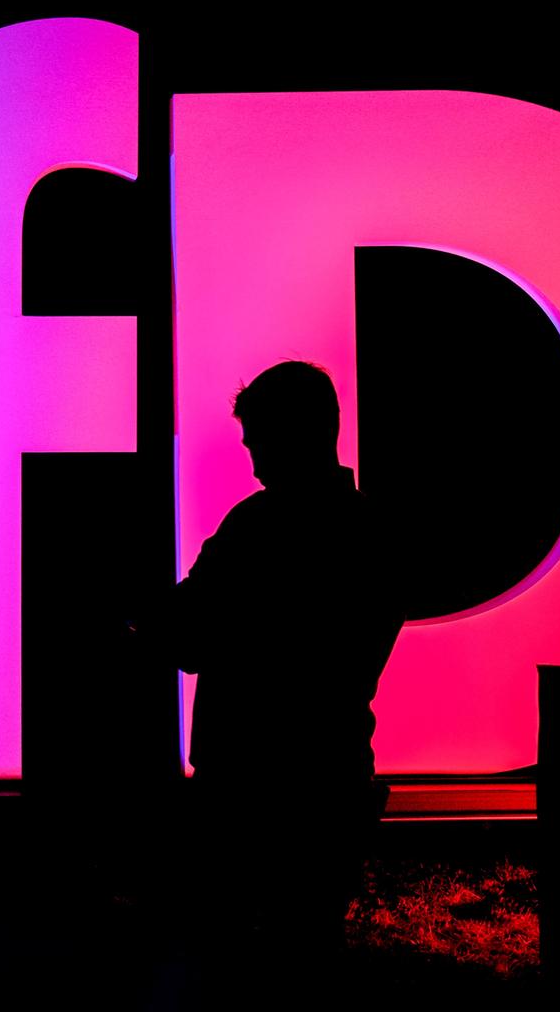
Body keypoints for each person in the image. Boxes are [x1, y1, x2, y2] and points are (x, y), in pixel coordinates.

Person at [147, 360, 406, 980]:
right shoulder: (372, 533)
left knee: (229, 960)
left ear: (290, 436)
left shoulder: (254, 530)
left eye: (260, 442)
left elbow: (188, 635)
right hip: (331, 775)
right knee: (308, 955)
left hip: (243, 784)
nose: (256, 462)